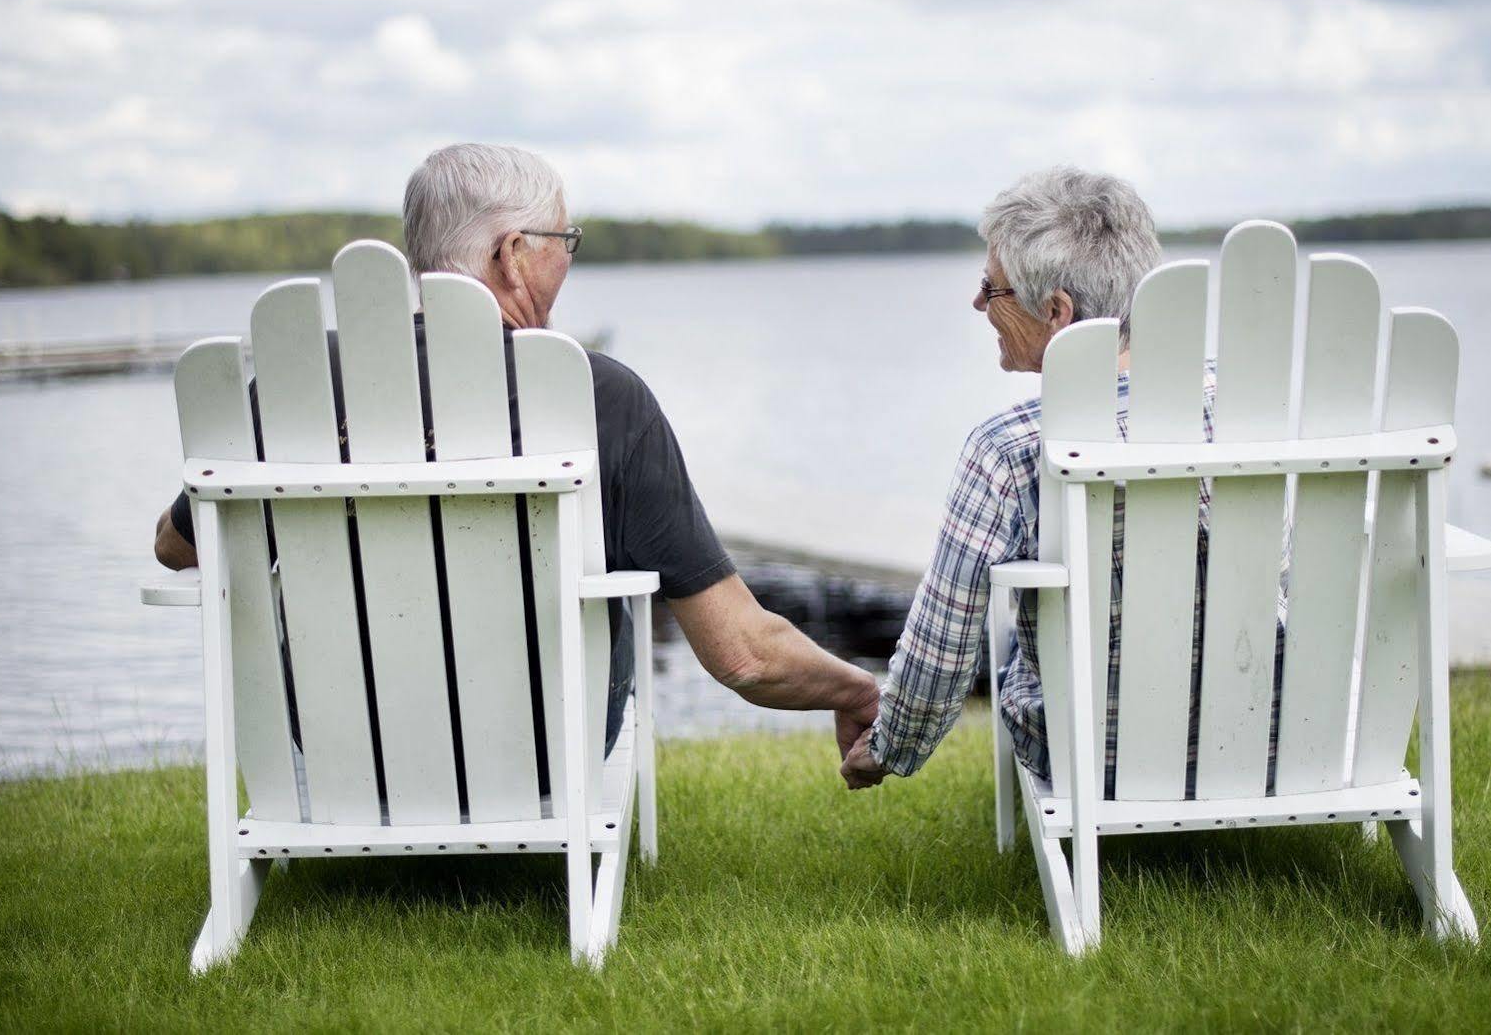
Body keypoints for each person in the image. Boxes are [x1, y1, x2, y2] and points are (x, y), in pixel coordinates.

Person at [154, 143, 878, 764]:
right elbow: (743, 655)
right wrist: (859, 689)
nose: (569, 258)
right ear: (511, 254)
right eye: (565, 241)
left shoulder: (297, 384)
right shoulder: (603, 397)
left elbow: (177, 549)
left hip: (344, 738)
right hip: (544, 745)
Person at [843, 165, 1277, 796]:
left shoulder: (1008, 451)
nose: (976, 303)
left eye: (992, 289)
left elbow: (943, 643)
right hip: (1279, 733)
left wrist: (888, 748)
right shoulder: (1245, 400)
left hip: (1101, 756)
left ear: (1056, 313)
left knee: (1020, 640)